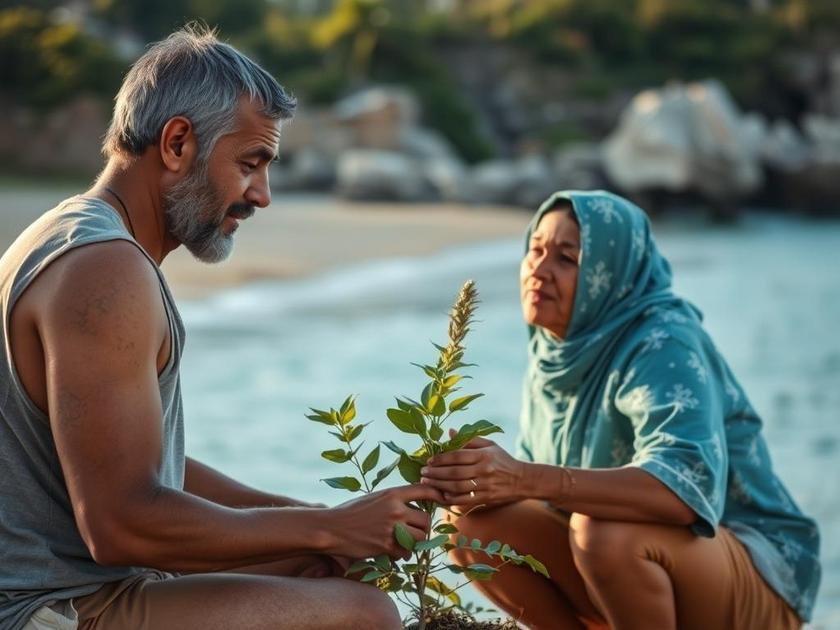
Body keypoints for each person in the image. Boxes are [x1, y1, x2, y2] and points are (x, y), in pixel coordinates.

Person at [0, 25, 442, 630]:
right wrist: (327, 526)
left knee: (320, 564)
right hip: (45, 609)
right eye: (250, 163)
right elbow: (120, 524)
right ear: (178, 143)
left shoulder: (75, 237)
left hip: (70, 588)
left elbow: (143, 465)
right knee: (363, 613)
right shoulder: (105, 270)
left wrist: (315, 521)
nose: (261, 196)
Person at [421, 190, 820, 629]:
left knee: (605, 532)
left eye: (567, 259)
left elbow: (685, 490)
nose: (539, 270)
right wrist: (479, 476)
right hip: (634, 572)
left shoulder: (663, 340)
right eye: (535, 250)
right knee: (468, 519)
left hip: (755, 575)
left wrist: (521, 477)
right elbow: (546, 499)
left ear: (610, 274)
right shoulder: (558, 349)